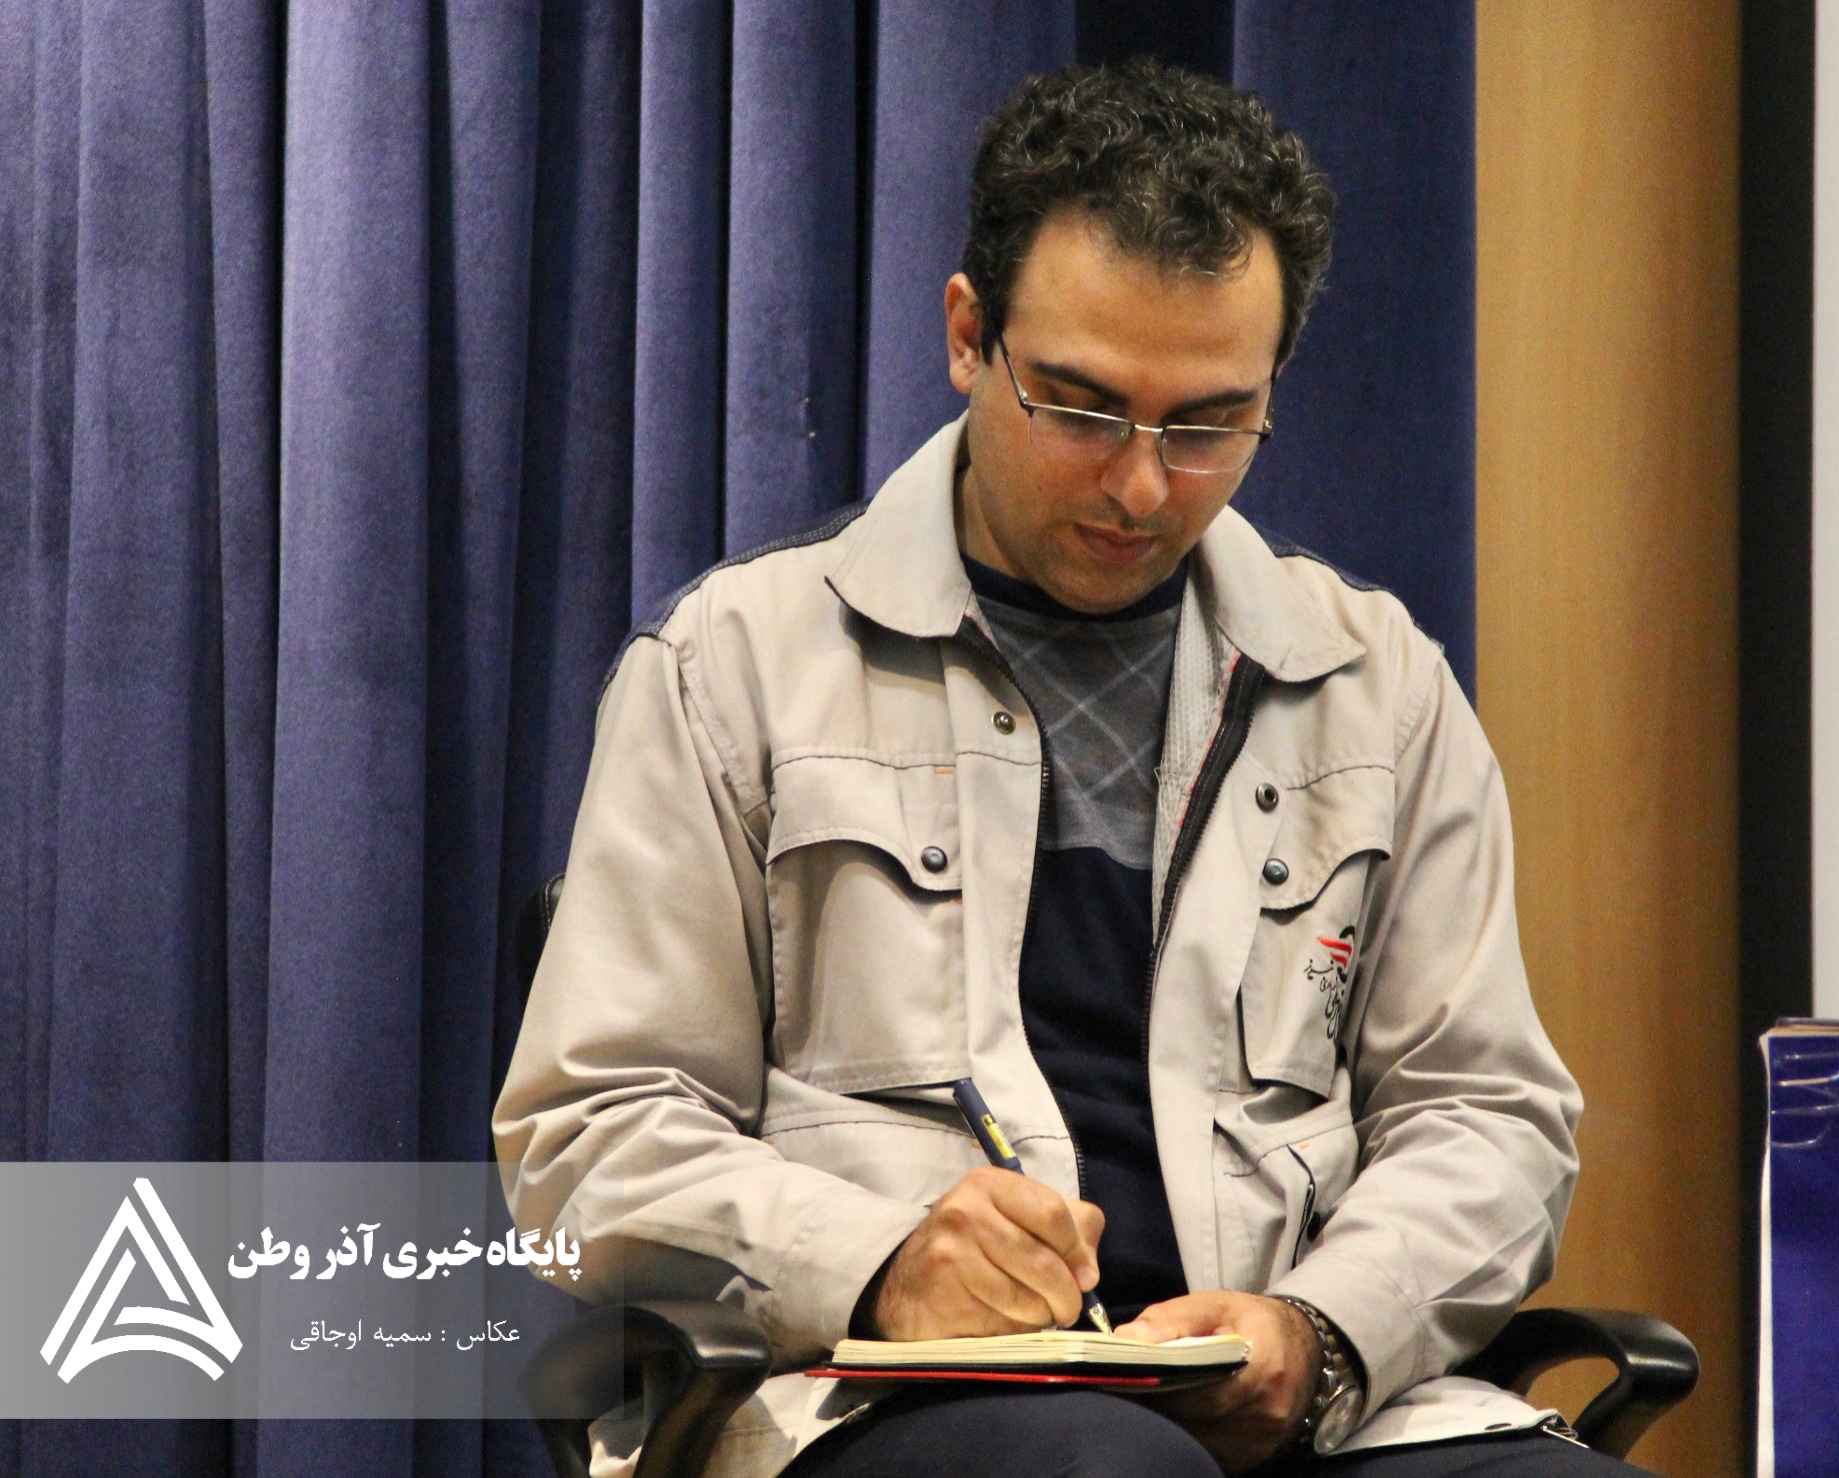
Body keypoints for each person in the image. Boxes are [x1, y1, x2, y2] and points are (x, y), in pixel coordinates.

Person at [496, 59, 1634, 1478]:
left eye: (1207, 424)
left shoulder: (1377, 686)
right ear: (969, 337)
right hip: (883, 1401)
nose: (1141, 486)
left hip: (1300, 1417)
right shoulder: (735, 664)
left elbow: (1489, 1116)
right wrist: (879, 1259)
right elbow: (589, 1135)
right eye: (1083, 409)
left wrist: (1322, 1330)